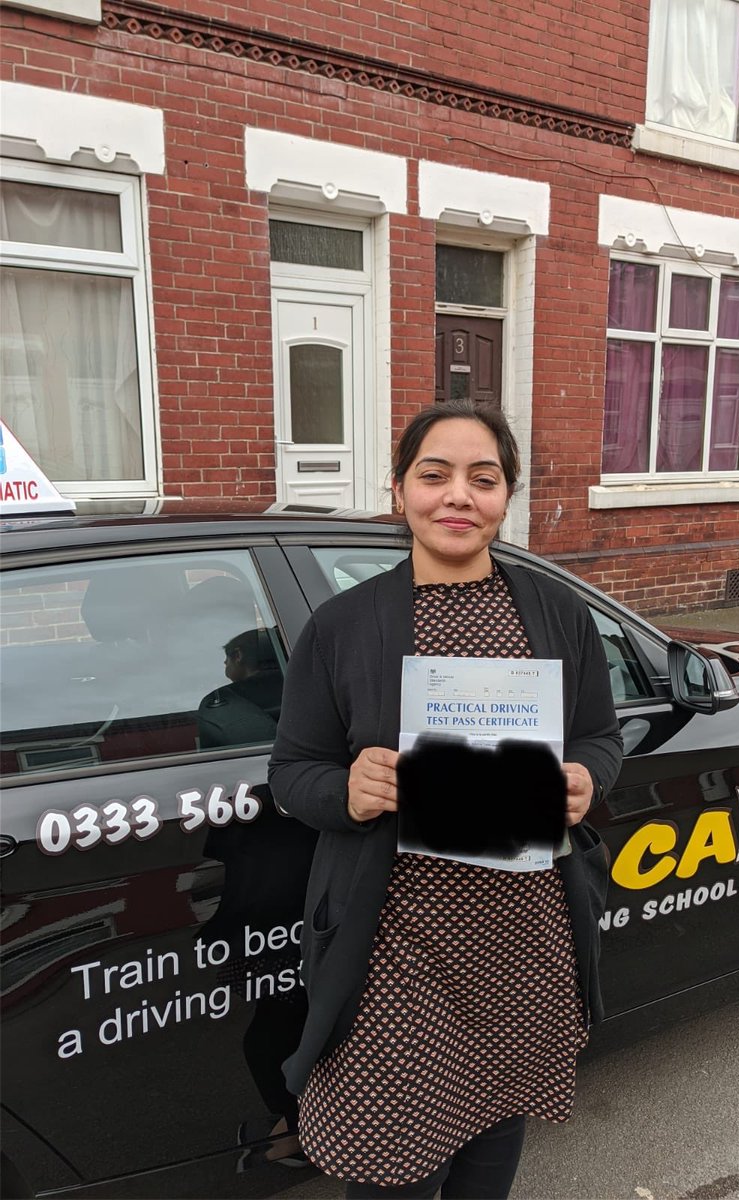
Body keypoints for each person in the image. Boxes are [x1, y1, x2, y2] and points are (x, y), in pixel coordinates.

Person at [268, 399, 623, 1199]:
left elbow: (601, 735)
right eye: (435, 475)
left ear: (507, 496)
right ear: (399, 491)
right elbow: (292, 770)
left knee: (494, 1137)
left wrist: (586, 777)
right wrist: (348, 789)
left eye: (483, 479)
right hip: (395, 948)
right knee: (391, 1159)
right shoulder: (342, 626)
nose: (458, 496)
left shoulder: (557, 612)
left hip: (522, 935)